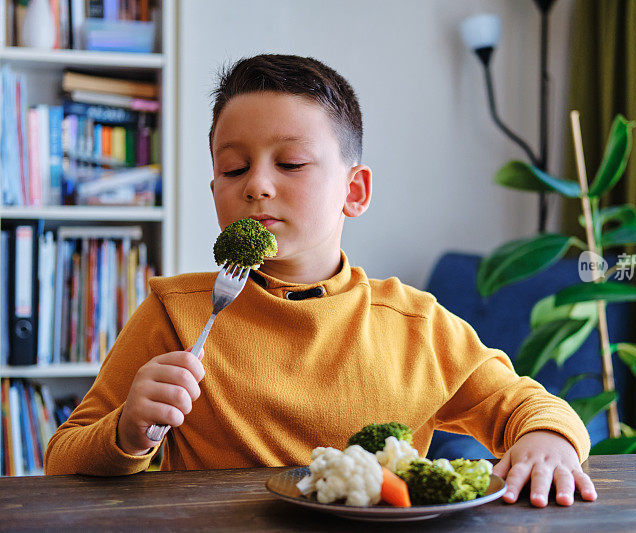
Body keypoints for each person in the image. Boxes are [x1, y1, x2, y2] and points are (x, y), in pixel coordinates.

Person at [45, 54, 597, 508]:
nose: (257, 185)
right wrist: (128, 431)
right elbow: (62, 456)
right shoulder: (175, 312)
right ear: (215, 190)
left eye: (291, 164)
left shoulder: (415, 324)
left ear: (353, 191)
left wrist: (546, 440)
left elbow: (527, 402)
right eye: (234, 169)